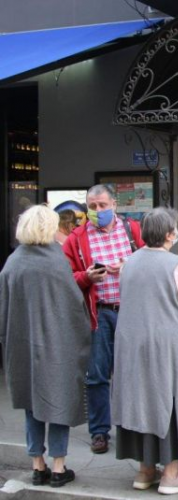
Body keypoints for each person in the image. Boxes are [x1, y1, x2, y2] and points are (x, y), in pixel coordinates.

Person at [111, 208, 178, 494]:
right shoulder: (176, 264)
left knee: (141, 401)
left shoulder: (129, 263)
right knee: (172, 402)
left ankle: (144, 471)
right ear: (169, 234)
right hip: (168, 347)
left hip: (132, 345)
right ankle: (171, 473)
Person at [0, 205, 90, 488]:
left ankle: (37, 465)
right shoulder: (55, 261)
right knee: (59, 401)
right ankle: (59, 467)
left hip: (22, 345)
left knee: (31, 403)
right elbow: (73, 305)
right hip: (57, 344)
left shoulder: (13, 263)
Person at [62, 184, 145, 454]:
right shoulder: (76, 238)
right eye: (92, 207)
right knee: (97, 374)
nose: (97, 211)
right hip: (99, 313)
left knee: (132, 373)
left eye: (102, 206)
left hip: (131, 312)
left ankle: (134, 427)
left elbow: (152, 263)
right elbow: (66, 278)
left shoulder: (132, 230)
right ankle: (99, 432)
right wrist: (87, 277)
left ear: (114, 205)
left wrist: (129, 267)